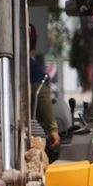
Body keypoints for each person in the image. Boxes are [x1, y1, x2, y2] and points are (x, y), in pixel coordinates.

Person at [29, 24, 61, 157]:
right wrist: (53, 129)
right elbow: (41, 96)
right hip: (30, 131)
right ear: (35, 46)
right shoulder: (34, 70)